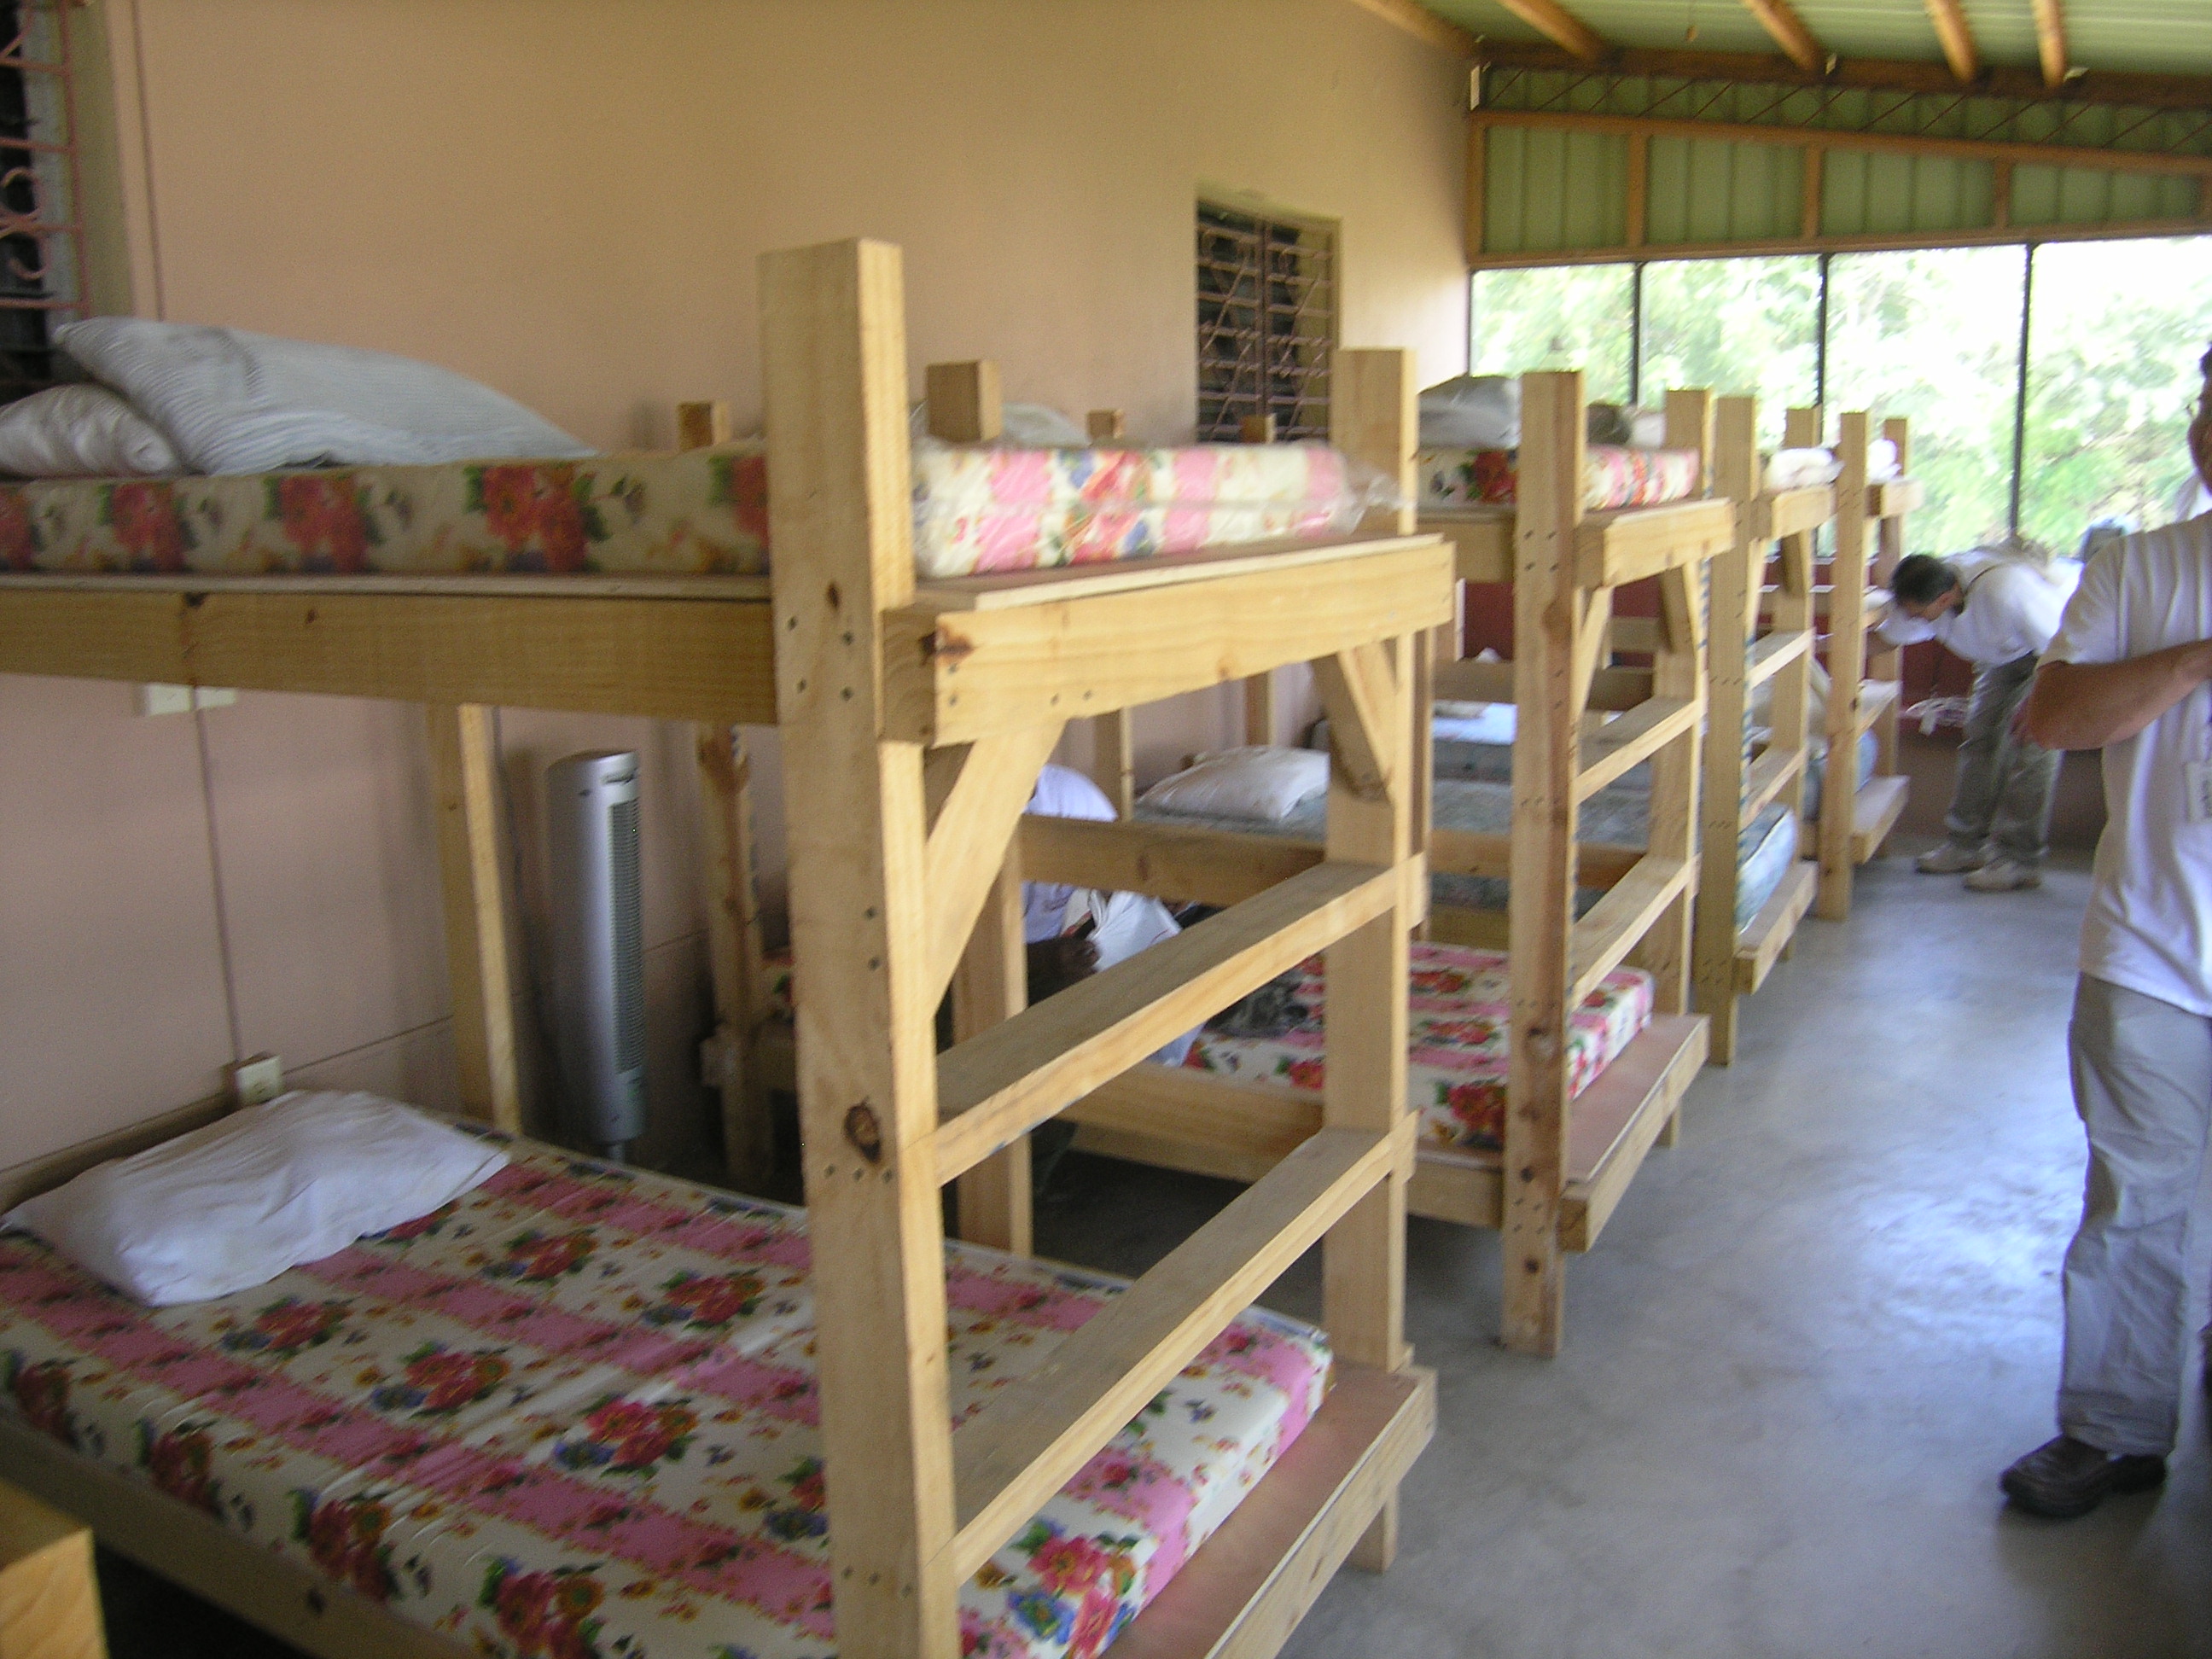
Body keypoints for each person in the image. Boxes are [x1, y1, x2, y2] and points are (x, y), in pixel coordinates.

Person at [1999, 346, 2212, 1520]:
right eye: (2206, 408)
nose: (2209, 431)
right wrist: (2192, 661)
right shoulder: (2143, 569)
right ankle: (2113, 1430)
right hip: (2154, 951)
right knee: (2136, 1197)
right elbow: (2053, 718)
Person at [1880, 544, 2081, 890]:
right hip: (2002, 655)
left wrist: (2035, 704)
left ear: (1945, 599)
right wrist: (1818, 645)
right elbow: (1885, 638)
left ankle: (2020, 860)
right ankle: (1965, 845)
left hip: (2056, 656)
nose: (1913, 620)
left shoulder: (2006, 590)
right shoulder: (1919, 591)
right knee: (1981, 739)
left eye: (1920, 615)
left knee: (2033, 745)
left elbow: (2064, 647)